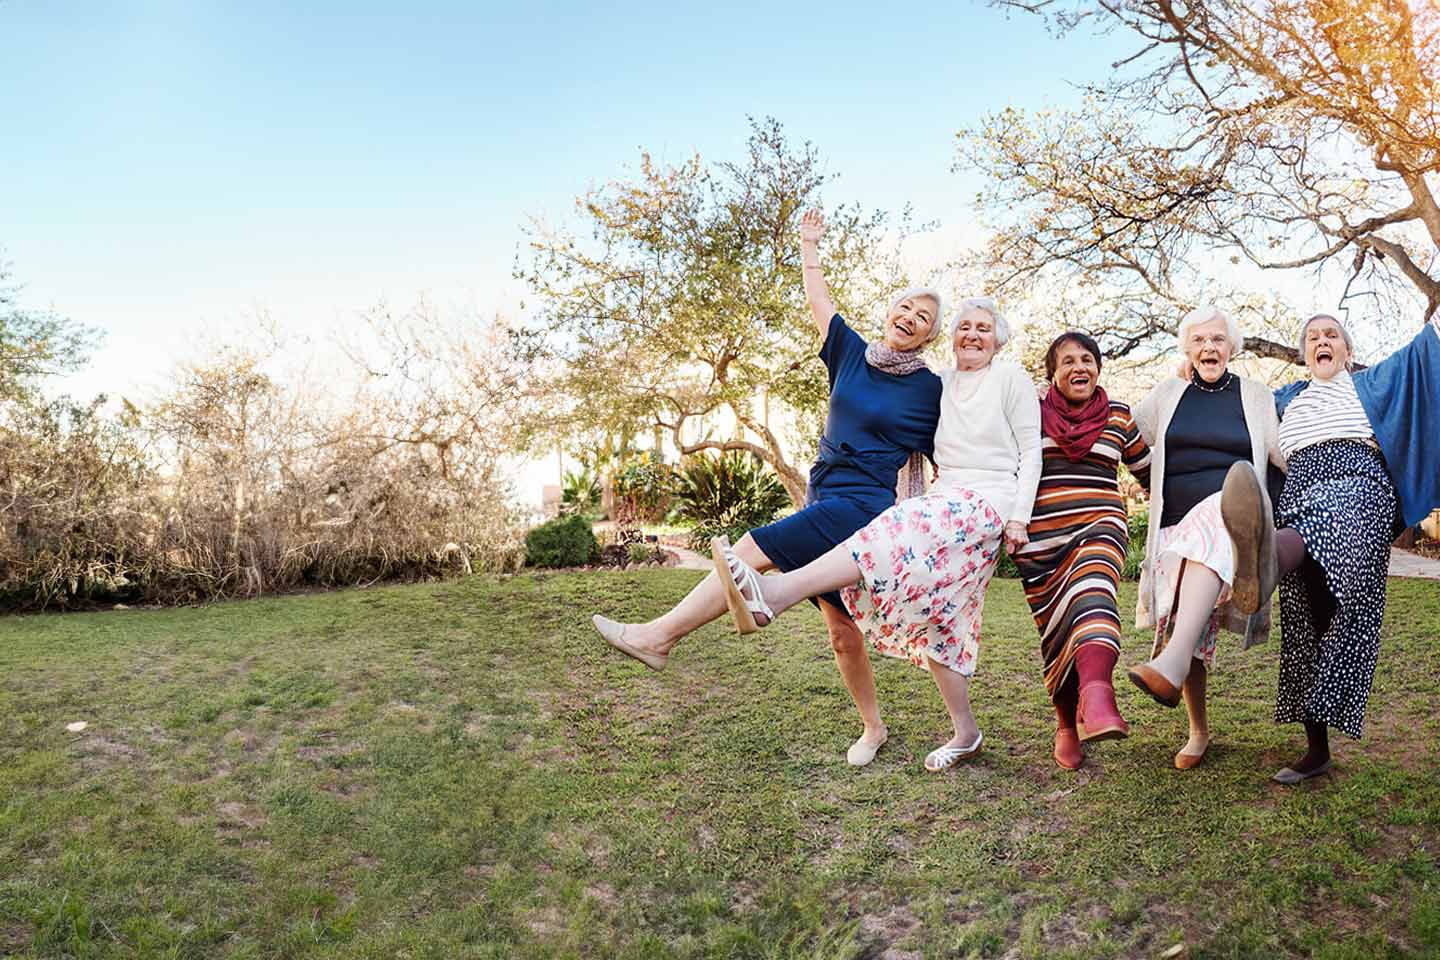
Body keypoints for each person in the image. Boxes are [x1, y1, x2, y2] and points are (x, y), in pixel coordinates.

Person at [592, 209, 945, 766]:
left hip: (865, 506)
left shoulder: (931, 389)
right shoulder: (851, 353)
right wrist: (809, 244)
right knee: (840, 632)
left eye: (923, 316)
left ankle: (657, 638)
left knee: (751, 550)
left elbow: (960, 437)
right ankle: (873, 729)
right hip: (825, 491)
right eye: (905, 306)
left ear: (930, 334)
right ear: (890, 312)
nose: (910, 317)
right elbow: (819, 302)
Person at [710, 298, 1042, 772]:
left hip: (987, 502)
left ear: (999, 340)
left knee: (894, 525)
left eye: (983, 328)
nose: (972, 334)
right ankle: (966, 734)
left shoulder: (1010, 378)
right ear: (948, 339)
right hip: (943, 498)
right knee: (943, 622)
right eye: (964, 326)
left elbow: (1031, 450)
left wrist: (1019, 517)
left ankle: (778, 590)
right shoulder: (939, 384)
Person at [1219, 311, 1440, 783]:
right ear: (1303, 354)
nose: (1322, 341)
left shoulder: (1371, 383)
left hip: (1359, 488)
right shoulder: (1284, 400)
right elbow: (1232, 398)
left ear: (1347, 350)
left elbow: (1428, 345)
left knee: (1324, 515)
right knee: (1310, 623)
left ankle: (1266, 559)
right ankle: (1316, 751)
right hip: (1298, 493)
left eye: (1332, 335)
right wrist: (1187, 374)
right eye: (1313, 337)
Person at [1125, 305, 1286, 770]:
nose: (1209, 348)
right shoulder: (1168, 394)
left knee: (1225, 501)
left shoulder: (1256, 396)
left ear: (1232, 347)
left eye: (1218, 340)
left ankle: (1171, 665)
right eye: (1199, 340)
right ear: (1187, 348)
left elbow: (1280, 453)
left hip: (1232, 522)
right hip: (1175, 529)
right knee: (1186, 623)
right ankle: (1196, 723)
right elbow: (1125, 431)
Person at [1013, 332, 1152, 770]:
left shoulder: (1119, 416)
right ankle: (1067, 724)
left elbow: (1150, 474)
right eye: (1068, 360)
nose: (1079, 367)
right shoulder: (1029, 413)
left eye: (1087, 359)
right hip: (1040, 542)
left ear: (1098, 368)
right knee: (1056, 637)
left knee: (1094, 594)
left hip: (1100, 524)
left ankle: (1098, 696)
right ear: (1052, 372)